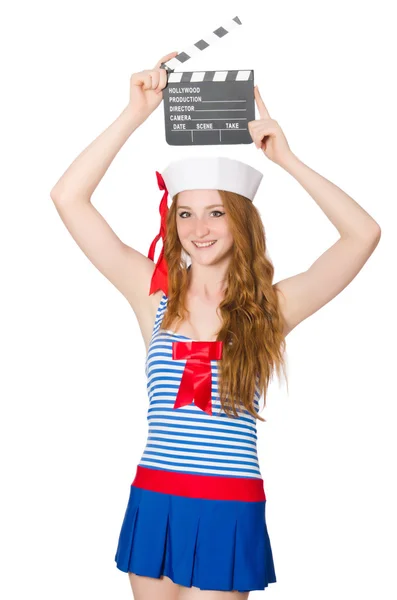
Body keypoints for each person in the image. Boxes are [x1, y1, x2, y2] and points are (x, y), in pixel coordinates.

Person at [50, 51, 381, 600]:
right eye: (185, 213)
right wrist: (134, 113)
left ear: (242, 222)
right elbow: (67, 198)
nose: (198, 228)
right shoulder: (151, 294)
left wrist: (289, 160)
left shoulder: (271, 308)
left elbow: (363, 235)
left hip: (229, 503)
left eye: (216, 212)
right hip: (156, 496)